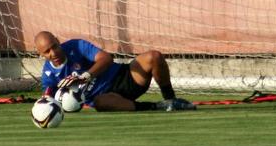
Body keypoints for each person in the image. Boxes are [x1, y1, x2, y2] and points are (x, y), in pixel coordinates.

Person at [34, 31, 196, 112]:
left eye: (54, 46)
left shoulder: (75, 46)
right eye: (47, 51)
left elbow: (106, 58)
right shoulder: (49, 75)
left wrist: (85, 76)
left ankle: (172, 99)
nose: (53, 53)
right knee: (99, 103)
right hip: (108, 98)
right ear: (40, 54)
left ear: (58, 40)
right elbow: (47, 97)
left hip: (124, 76)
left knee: (154, 56)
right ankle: (159, 106)